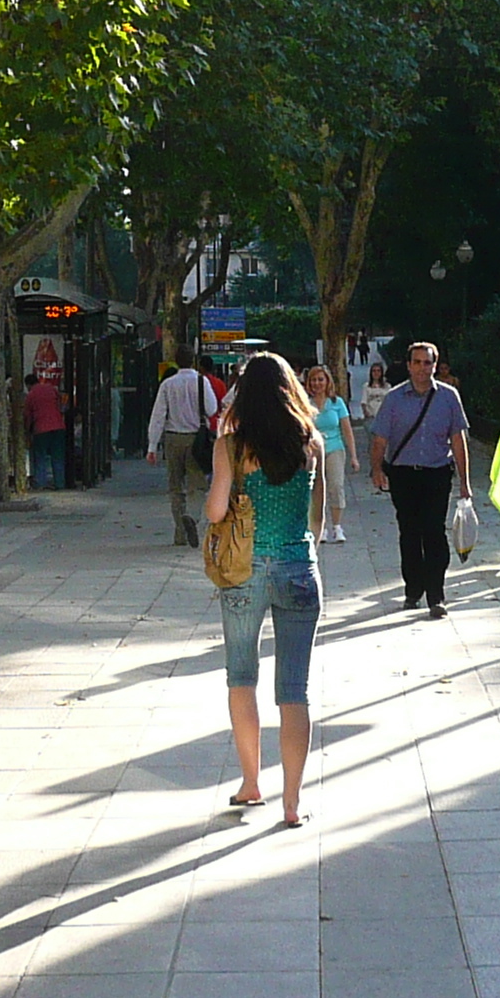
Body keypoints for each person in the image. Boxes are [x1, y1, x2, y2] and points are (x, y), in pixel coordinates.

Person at [207, 352, 324, 826]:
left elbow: (216, 512)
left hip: (244, 571)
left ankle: (251, 782)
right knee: (294, 689)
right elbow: (316, 521)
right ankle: (292, 803)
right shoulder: (310, 442)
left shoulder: (231, 447)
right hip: (299, 567)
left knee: (241, 676)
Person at [365, 340, 471, 617]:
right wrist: (376, 470)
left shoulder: (449, 397)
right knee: (410, 532)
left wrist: (465, 482)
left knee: (434, 532)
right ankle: (413, 589)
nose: (423, 368)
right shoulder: (394, 398)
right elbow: (380, 439)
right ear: (409, 365)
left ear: (435, 366)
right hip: (403, 474)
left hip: (437, 473)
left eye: (428, 363)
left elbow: (458, 439)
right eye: (418, 362)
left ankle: (436, 594)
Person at [144, 353, 222, 546]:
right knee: (197, 485)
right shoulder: (202, 382)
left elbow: (158, 415)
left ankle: (180, 532)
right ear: (193, 361)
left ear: (177, 362)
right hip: (196, 439)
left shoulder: (167, 384)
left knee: (175, 485)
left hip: (173, 438)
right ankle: (193, 517)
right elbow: (212, 409)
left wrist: (152, 446)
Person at [301, 363, 356, 543]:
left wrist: (354, 456)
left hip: (334, 448)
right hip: (312, 451)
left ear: (327, 382)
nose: (317, 383)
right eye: (314, 380)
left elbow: (346, 429)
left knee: (335, 485)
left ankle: (337, 526)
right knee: (315, 489)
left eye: (320, 380)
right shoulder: (304, 403)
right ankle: (320, 526)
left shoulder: (336, 403)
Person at [24, 369, 71, 491]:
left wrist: (27, 431)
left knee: (40, 456)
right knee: (58, 456)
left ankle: (41, 483)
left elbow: (28, 416)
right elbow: (62, 404)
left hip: (41, 428)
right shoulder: (51, 389)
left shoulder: (30, 395)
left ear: (28, 385)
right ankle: (60, 483)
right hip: (58, 426)